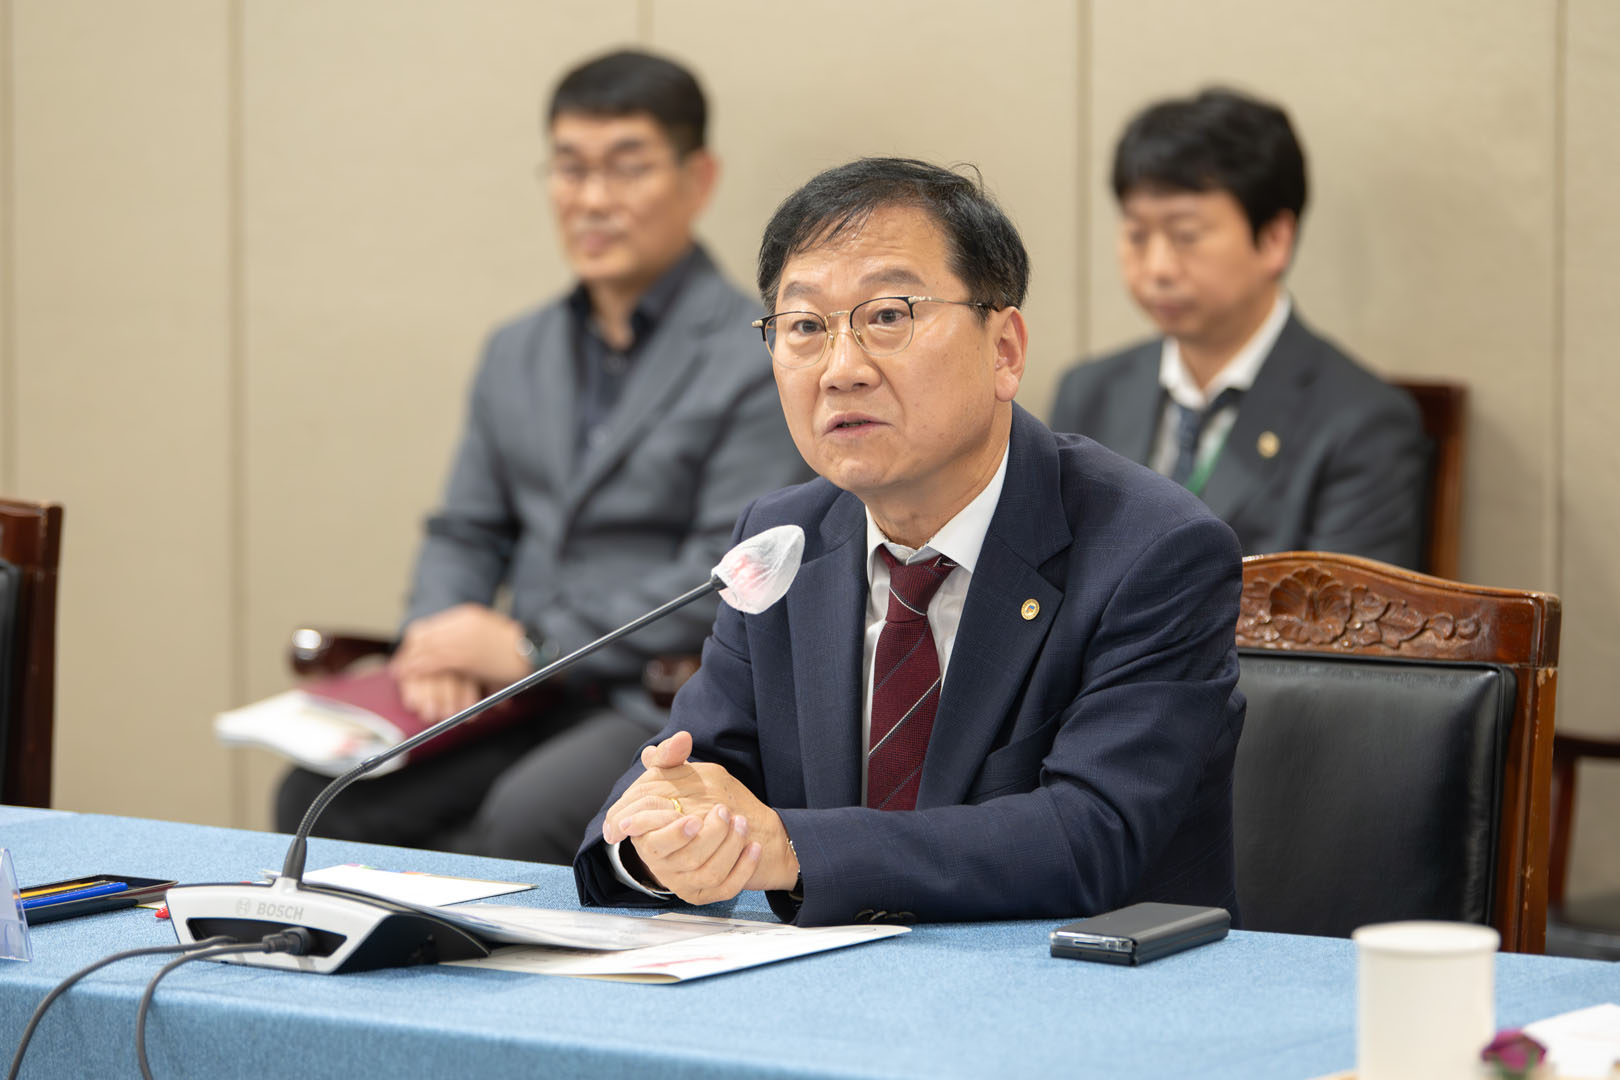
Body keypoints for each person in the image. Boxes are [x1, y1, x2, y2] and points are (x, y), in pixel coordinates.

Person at [573, 158, 1245, 927]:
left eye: (888, 316)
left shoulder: (1154, 551)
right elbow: (695, 767)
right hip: (832, 981)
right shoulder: (784, 542)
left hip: (1079, 982)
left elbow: (1090, 836)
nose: (841, 369)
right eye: (805, 327)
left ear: (1004, 350)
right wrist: (659, 838)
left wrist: (791, 846)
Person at [274, 49, 807, 862]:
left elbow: (725, 569)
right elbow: (466, 529)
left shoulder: (754, 353)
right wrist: (435, 643)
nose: (592, 199)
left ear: (698, 179)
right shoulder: (516, 351)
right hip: (516, 696)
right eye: (571, 168)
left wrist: (536, 646)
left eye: (627, 167)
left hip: (649, 694)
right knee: (319, 793)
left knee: (527, 817)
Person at [1050, 88, 1428, 568]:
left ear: (1273, 240)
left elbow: (1343, 615)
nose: (1157, 267)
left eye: (1186, 235)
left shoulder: (1362, 424)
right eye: (1137, 235)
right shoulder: (1089, 393)